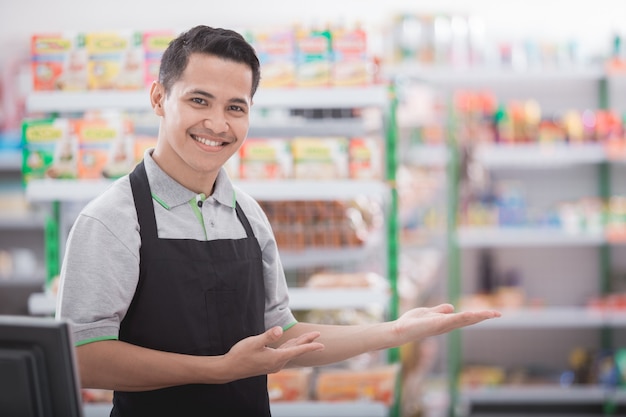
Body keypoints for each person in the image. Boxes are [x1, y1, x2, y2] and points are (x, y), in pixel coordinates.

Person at [56, 25, 500, 416]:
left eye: (236, 107)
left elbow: (283, 334)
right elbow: (82, 356)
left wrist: (395, 331)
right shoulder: (113, 219)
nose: (217, 123)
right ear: (158, 98)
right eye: (199, 100)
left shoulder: (249, 215)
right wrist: (219, 371)